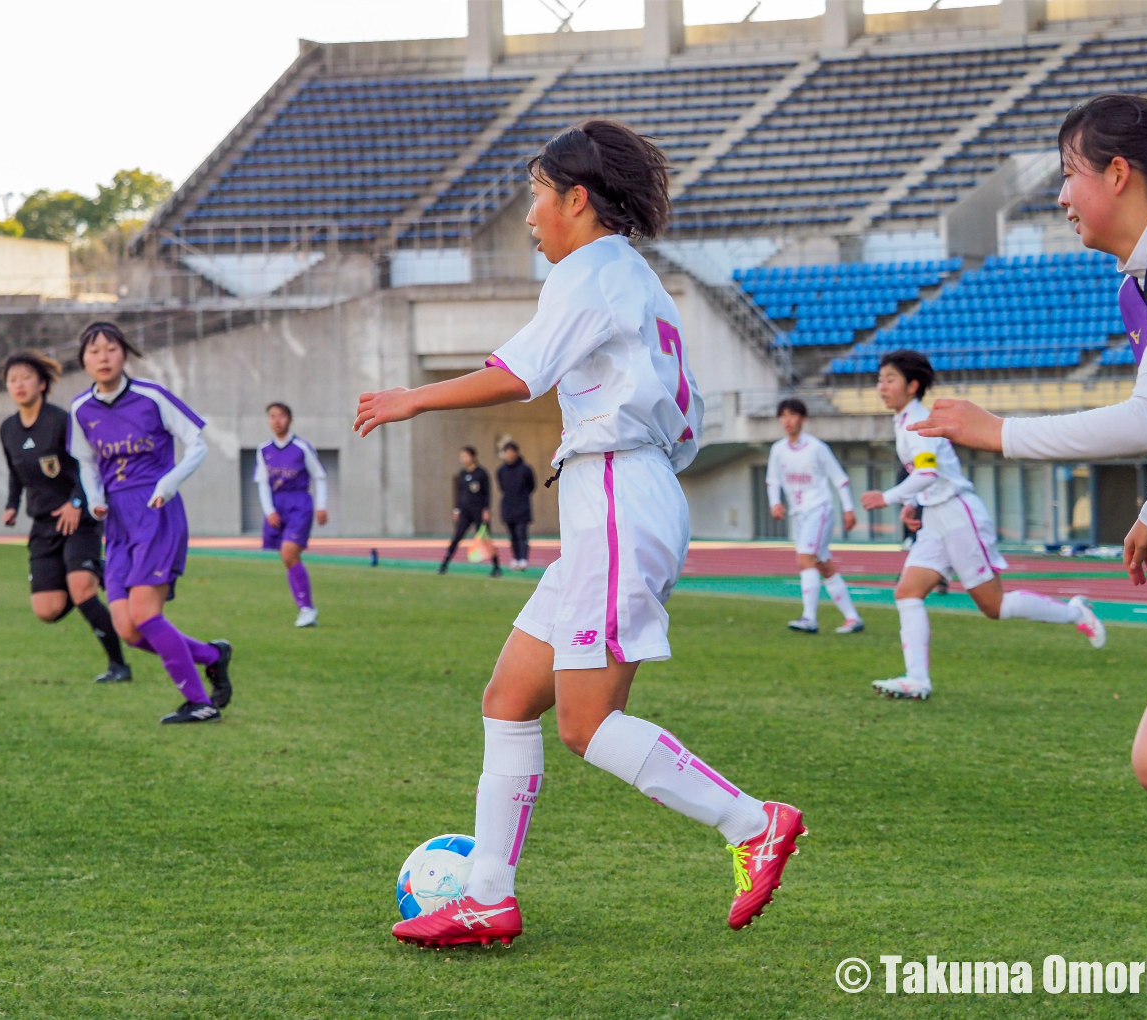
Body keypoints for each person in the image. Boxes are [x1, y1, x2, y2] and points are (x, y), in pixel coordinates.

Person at [356, 120, 804, 948]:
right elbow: (686, 415)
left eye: (534, 193)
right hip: (624, 491)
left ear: (576, 198)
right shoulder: (636, 279)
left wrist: (409, 398)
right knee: (508, 700)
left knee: (586, 723)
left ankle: (752, 823)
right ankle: (488, 896)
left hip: (615, 497)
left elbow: (518, 373)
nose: (528, 214)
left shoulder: (591, 273)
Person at [910, 95, 1147, 807]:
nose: (1063, 196)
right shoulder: (1143, 286)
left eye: (1069, 174)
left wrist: (1001, 432)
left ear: (1119, 174)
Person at [859, 349, 1107, 700]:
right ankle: (917, 679)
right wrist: (914, 502)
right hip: (935, 519)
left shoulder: (917, 423)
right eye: (879, 380)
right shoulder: (905, 422)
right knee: (907, 592)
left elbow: (928, 472)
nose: (881, 387)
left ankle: (1074, 612)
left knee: (995, 607)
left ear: (912, 385)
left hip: (959, 518)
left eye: (889, 379)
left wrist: (888, 498)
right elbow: (928, 476)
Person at [68, 321, 233, 724]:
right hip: (118, 522)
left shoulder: (151, 396)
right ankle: (212, 655)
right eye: (94, 352)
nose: (103, 357)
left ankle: (200, 703)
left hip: (157, 512)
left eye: (110, 349)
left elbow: (196, 443)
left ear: (124, 353)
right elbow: (86, 463)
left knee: (144, 614)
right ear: (83, 361)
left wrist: (169, 483)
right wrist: (94, 500)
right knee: (127, 628)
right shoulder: (80, 409)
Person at [0, 349, 130, 684]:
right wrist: (12, 504)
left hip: (79, 518)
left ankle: (119, 665)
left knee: (82, 589)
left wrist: (76, 501)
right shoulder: (8, 429)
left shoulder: (61, 421)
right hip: (43, 524)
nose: (19, 384)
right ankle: (90, 575)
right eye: (12, 380)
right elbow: (16, 472)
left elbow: (88, 465)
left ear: (42, 383)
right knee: (47, 610)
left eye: (26, 377)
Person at [766, 398, 863, 634]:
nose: (787, 421)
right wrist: (775, 502)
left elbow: (839, 478)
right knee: (822, 564)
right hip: (798, 514)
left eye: (792, 415)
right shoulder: (778, 449)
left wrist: (849, 508)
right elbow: (773, 479)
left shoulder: (817, 447)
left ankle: (809, 618)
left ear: (803, 418)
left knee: (805, 559)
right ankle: (853, 618)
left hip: (819, 509)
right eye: (783, 416)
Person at [256, 401, 329, 627]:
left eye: (281, 416)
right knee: (287, 558)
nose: (276, 420)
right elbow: (262, 483)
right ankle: (305, 608)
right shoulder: (263, 450)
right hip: (278, 506)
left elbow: (320, 475)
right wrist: (269, 510)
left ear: (290, 419)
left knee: (289, 554)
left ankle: (307, 609)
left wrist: (321, 506)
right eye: (272, 416)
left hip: (299, 503)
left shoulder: (302, 447)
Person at [440, 446, 502, 577]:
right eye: (461, 456)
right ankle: (444, 565)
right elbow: (459, 494)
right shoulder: (461, 474)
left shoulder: (481, 473)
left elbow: (487, 493)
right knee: (457, 537)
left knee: (486, 538)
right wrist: (457, 509)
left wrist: (486, 509)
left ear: (472, 457)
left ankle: (496, 567)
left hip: (479, 511)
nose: (462, 459)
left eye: (465, 456)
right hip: (465, 512)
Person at [496, 441, 536, 570]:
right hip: (508, 507)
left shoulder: (526, 469)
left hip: (522, 507)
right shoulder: (501, 471)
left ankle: (523, 559)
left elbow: (532, 486)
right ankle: (515, 558)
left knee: (522, 534)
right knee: (512, 535)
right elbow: (501, 487)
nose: (509, 454)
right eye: (506, 452)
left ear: (517, 452)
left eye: (511, 451)